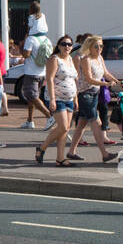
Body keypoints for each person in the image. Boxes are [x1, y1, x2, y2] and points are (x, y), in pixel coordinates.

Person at [66, 37, 121, 163]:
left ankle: (71, 152)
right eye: (96, 46)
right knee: (97, 123)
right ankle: (104, 154)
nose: (99, 49)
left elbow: (106, 73)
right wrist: (106, 84)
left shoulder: (99, 58)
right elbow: (89, 79)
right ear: (89, 47)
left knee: (81, 124)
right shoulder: (86, 59)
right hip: (85, 94)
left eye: (101, 46)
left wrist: (119, 82)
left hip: (94, 94)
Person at [37, 36, 78, 166]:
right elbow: (49, 79)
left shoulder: (70, 59)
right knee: (63, 126)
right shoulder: (54, 59)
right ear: (58, 46)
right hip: (57, 98)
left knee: (65, 130)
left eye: (69, 44)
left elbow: (73, 80)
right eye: (64, 44)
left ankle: (60, 158)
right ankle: (42, 147)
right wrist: (53, 99)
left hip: (69, 98)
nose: (67, 47)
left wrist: (76, 98)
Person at [18, 15, 53, 129]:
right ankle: (30, 120)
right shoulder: (47, 39)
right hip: (42, 72)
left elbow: (26, 54)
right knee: (33, 97)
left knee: (31, 96)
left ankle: (49, 116)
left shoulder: (30, 39)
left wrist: (21, 46)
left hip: (31, 72)